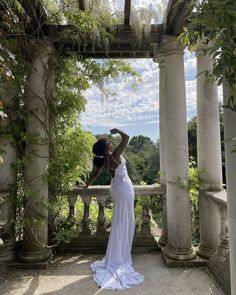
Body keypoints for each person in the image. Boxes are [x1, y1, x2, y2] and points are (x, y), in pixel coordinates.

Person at [85, 128, 144, 290]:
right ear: (107, 148)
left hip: (117, 190)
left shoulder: (103, 160)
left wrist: (86, 185)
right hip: (124, 189)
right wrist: (117, 130)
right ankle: (121, 254)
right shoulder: (115, 155)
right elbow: (127, 136)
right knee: (125, 221)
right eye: (108, 142)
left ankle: (118, 252)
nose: (111, 142)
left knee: (120, 221)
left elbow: (95, 174)